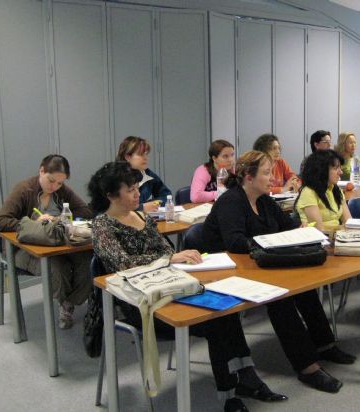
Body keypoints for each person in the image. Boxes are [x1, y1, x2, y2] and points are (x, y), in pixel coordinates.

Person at [88, 161, 287, 412]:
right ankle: (230, 392)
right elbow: (122, 263)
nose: (138, 194)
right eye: (130, 190)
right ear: (110, 195)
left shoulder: (140, 216)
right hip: (139, 301)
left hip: (171, 286)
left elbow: (165, 249)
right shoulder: (102, 225)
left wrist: (172, 257)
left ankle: (245, 376)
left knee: (225, 309)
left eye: (137, 188)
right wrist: (167, 259)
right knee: (216, 320)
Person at [202, 150, 355, 394]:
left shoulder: (264, 200)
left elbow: (288, 226)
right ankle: (307, 366)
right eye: (266, 173)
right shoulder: (231, 201)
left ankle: (325, 344)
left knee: (304, 289)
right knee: (280, 298)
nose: (272, 177)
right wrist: (272, 240)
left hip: (258, 263)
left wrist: (301, 229)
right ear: (248, 177)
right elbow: (235, 243)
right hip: (228, 272)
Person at [0, 154, 93, 329]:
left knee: (89, 260)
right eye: (51, 180)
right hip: (23, 250)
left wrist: (60, 219)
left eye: (60, 183)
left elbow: (85, 211)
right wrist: (30, 224)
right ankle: (64, 304)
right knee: (55, 266)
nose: (54, 187)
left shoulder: (61, 191)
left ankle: (69, 303)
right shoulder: (24, 190)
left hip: (57, 245)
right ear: (41, 171)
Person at [295, 150, 351, 232]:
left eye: (340, 168)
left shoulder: (335, 189)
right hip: (320, 240)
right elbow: (319, 229)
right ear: (322, 170)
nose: (341, 172)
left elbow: (349, 222)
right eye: (336, 168)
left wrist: (347, 228)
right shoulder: (309, 192)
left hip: (337, 237)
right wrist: (342, 228)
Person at [116, 136, 172, 213]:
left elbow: (166, 195)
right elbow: (116, 208)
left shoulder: (147, 173)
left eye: (146, 154)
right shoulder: (116, 177)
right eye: (141, 154)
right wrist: (142, 207)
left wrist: (153, 204)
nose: (146, 158)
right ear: (127, 157)